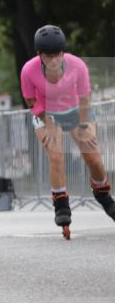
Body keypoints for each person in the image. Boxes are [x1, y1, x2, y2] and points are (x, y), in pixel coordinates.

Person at [21, 24, 115, 236]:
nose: (53, 61)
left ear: (63, 53)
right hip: (46, 111)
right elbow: (31, 101)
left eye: (57, 55)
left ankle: (103, 194)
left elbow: (84, 98)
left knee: (92, 156)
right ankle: (61, 203)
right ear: (39, 55)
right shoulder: (28, 70)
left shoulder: (78, 66)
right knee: (56, 155)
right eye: (48, 56)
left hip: (75, 108)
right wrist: (47, 121)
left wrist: (82, 125)